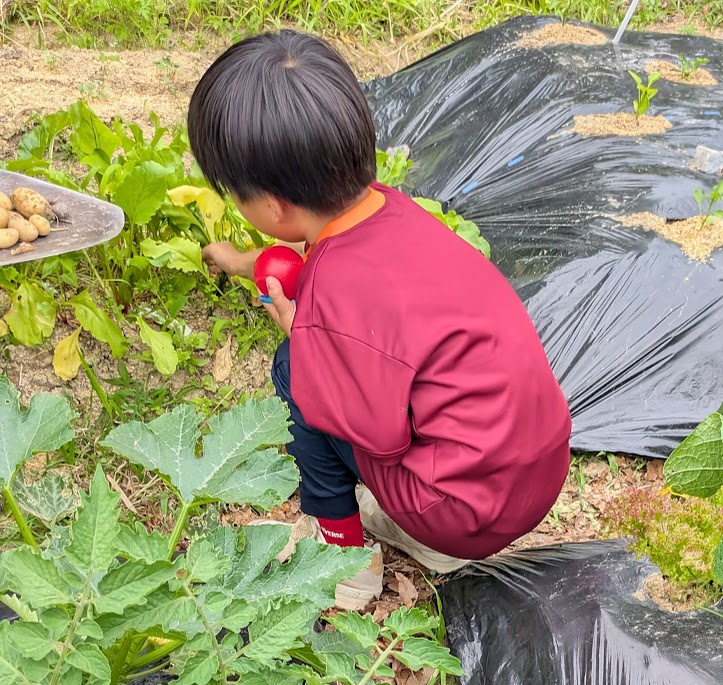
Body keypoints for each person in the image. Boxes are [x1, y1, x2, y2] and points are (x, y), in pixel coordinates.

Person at [188, 30, 572, 609]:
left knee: (297, 370)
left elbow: (367, 421)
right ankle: (431, 538)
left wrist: (307, 341)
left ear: (270, 206)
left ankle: (343, 556)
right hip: (532, 475)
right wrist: (240, 262)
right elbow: (296, 259)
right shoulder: (395, 215)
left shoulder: (335, 295)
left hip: (463, 511)